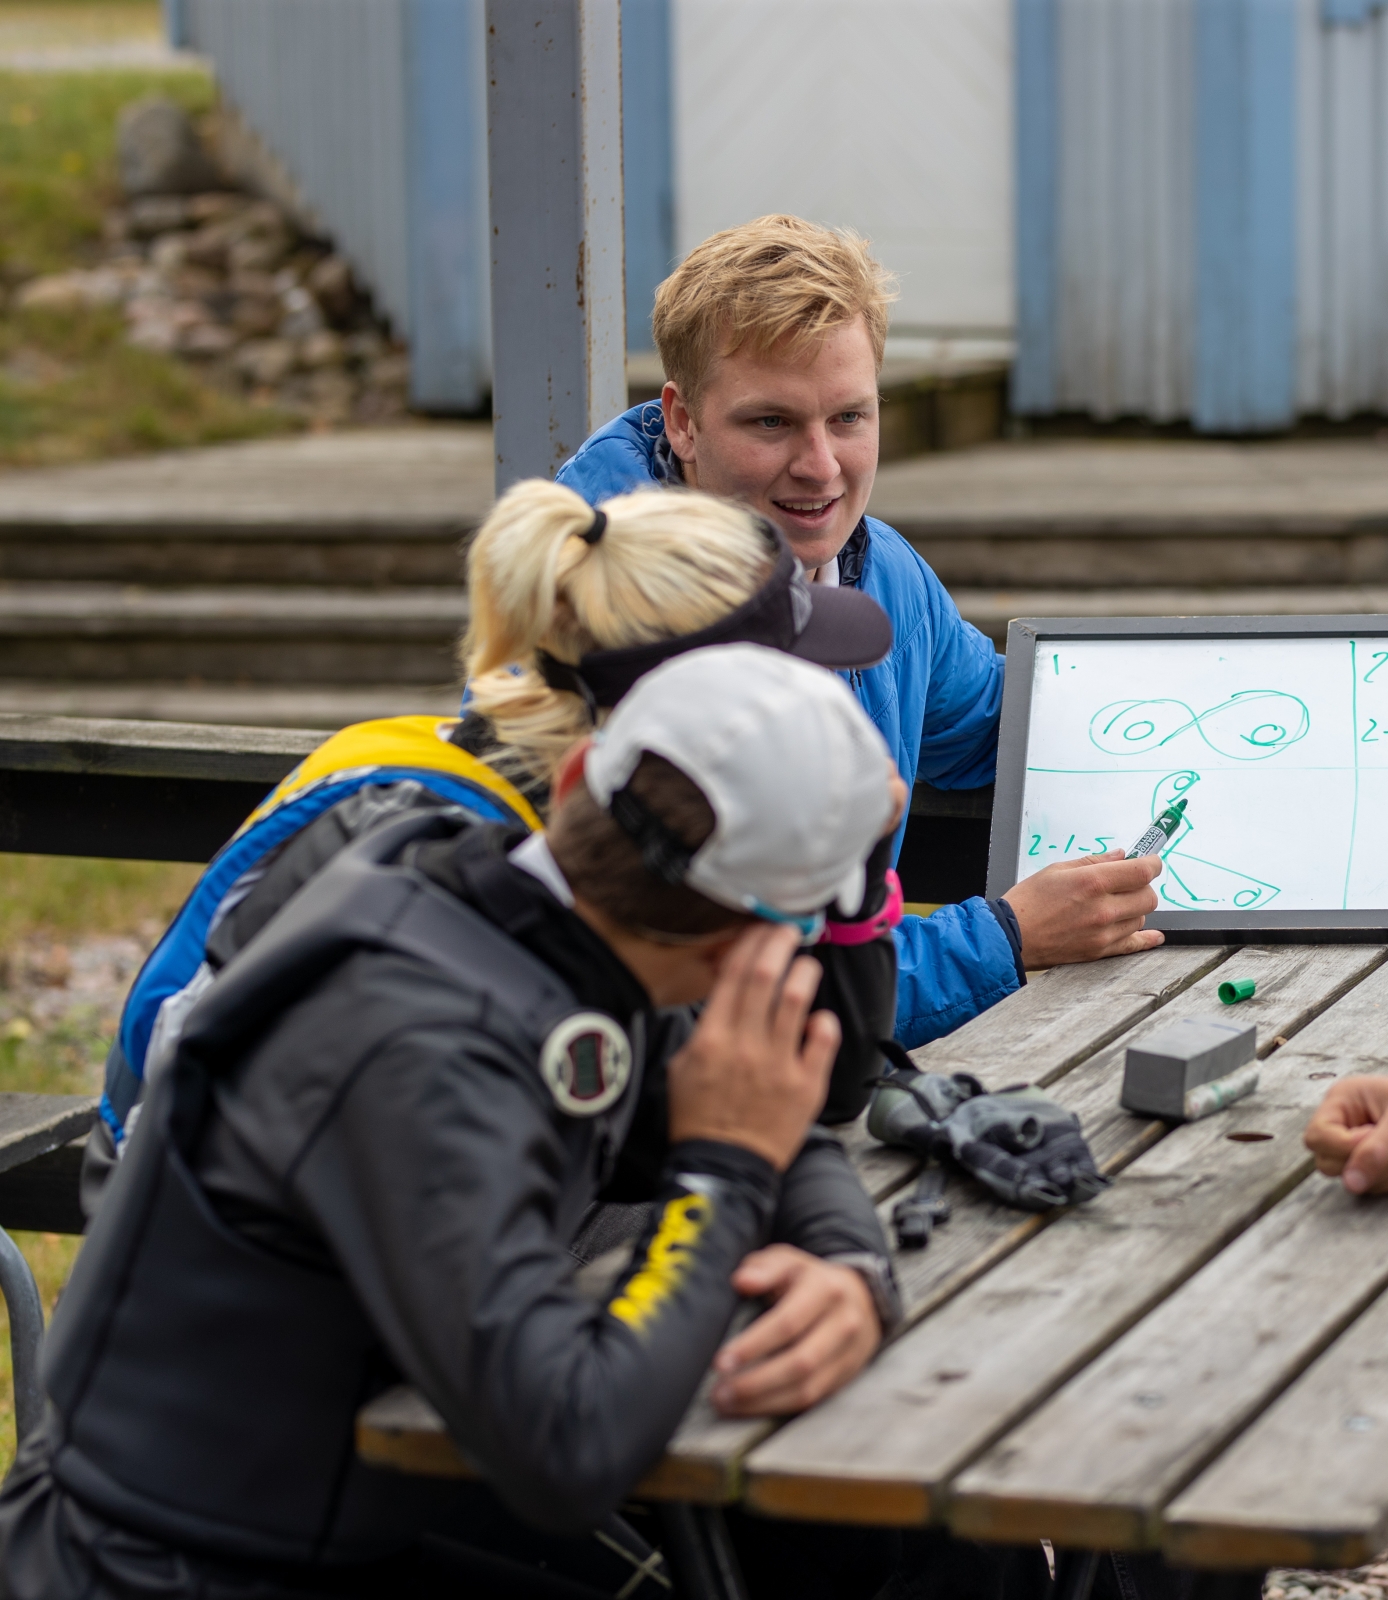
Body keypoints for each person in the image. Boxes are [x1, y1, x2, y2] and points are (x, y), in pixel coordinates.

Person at [0, 646, 923, 1597]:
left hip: (332, 1498)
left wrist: (851, 1271)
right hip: (162, 1556)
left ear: (577, 778)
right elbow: (570, 1442)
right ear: (759, 940)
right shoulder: (416, 1035)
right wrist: (722, 1178)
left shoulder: (566, 918)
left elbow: (774, 1118)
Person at [91, 480, 908, 1445]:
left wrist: (850, 1265)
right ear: (675, 719)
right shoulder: (441, 871)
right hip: (245, 1391)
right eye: (789, 691)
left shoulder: (582, 833)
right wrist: (731, 1179)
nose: (819, 709)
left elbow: (776, 1095)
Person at [557, 215, 1162, 1047]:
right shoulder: (616, 641)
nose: (820, 466)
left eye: (849, 417)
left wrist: (1209, 706)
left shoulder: (880, 572)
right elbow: (726, 998)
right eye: (771, 423)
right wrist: (1005, 938)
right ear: (684, 423)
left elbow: (995, 727)